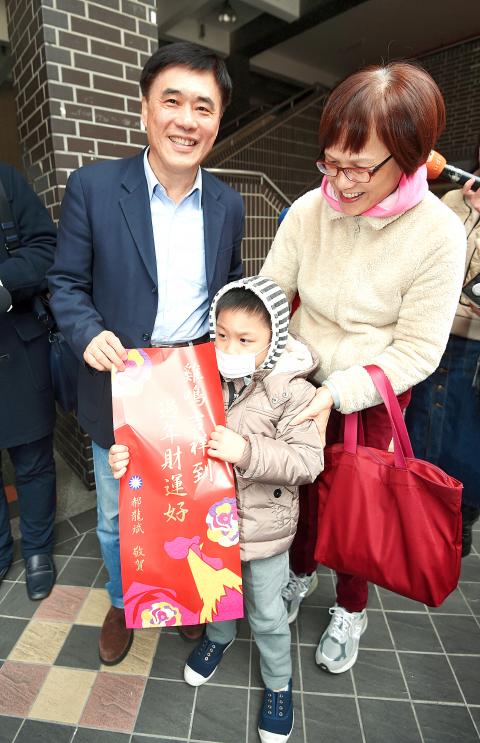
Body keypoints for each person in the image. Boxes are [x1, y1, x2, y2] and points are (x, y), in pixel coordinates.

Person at [260, 61, 466, 674]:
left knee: (358, 507)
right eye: (331, 163)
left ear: (409, 157)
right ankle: (299, 574)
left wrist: (339, 392)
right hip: (297, 383)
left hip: (370, 396)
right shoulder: (308, 209)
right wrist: (245, 338)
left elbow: (418, 350)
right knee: (293, 497)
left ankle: (351, 606)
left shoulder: (439, 233)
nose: (341, 183)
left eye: (359, 168)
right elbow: (273, 294)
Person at [47, 42, 244, 665]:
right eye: (172, 101)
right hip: (121, 385)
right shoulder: (94, 187)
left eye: (203, 107)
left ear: (218, 121)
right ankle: (122, 598)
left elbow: (228, 291)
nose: (187, 120)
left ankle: (183, 594)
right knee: (117, 515)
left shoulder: (229, 204)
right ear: (145, 109)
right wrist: (86, 332)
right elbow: (65, 284)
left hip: (192, 390)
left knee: (189, 502)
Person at [109, 276, 323, 743]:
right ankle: (218, 639)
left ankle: (279, 684)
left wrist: (245, 451)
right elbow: (160, 437)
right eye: (221, 334)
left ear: (274, 340)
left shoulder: (294, 392)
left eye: (245, 340)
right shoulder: (194, 380)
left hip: (264, 532)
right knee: (215, 592)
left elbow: (307, 462)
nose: (229, 347)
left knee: (267, 614)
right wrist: (127, 458)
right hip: (208, 525)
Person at [406, 142, 480, 556]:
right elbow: (435, 257)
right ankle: (418, 515)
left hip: (476, 347)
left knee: (465, 436)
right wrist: (468, 211)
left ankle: (461, 519)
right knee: (424, 426)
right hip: (434, 333)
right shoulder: (452, 200)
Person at [0, 162, 57, 600]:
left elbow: (46, 247)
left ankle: (38, 550)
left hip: (15, 347)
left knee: (33, 459)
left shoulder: (4, 180)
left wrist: (3, 282)